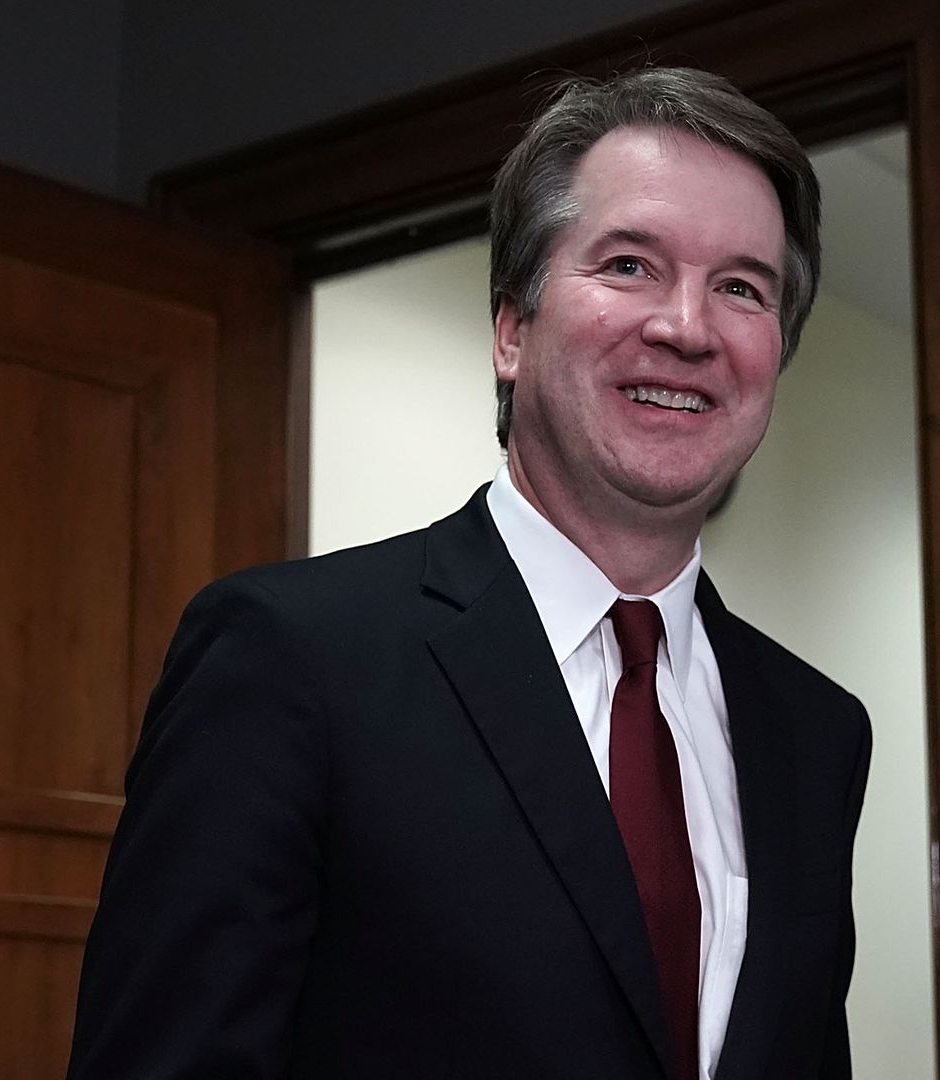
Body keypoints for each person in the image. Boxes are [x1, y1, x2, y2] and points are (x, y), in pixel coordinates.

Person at [67, 67, 870, 1080]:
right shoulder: (290, 661)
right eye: (628, 264)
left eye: (741, 288)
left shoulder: (815, 732)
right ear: (511, 329)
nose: (686, 326)